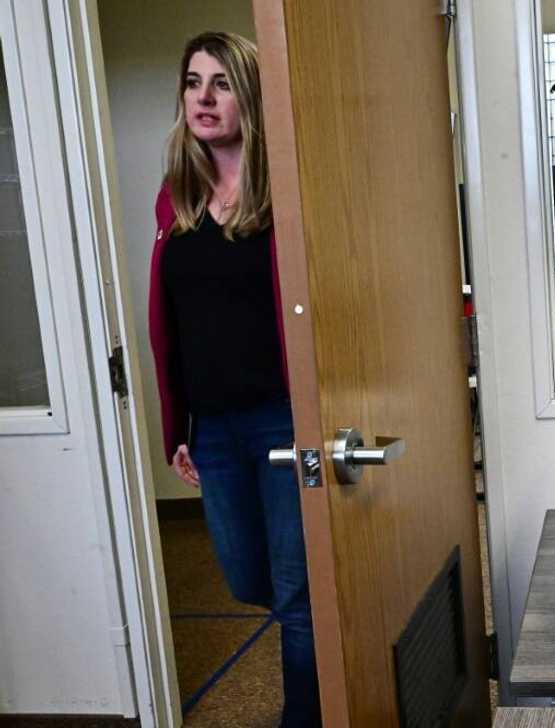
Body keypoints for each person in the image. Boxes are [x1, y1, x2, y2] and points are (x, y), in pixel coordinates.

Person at [148, 31, 320, 727]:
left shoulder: (288, 197)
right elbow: (173, 324)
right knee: (246, 577)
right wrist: (181, 427)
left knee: (294, 593)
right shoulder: (176, 200)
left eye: (221, 83)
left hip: (282, 419)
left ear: (250, 95)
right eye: (193, 82)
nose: (204, 97)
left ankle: (303, 718)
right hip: (213, 429)